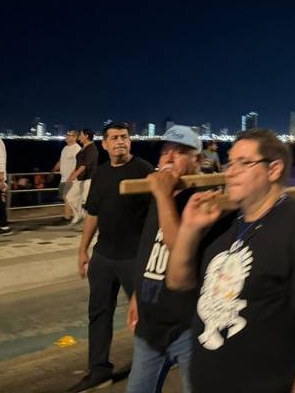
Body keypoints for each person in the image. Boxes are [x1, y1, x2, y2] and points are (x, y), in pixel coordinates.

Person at [166, 129, 295, 393]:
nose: (231, 171)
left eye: (244, 163)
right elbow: (178, 282)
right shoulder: (227, 224)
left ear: (274, 170)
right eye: (230, 161)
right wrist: (190, 230)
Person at [67, 123, 154, 393]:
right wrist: (84, 249)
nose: (120, 142)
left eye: (124, 137)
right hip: (103, 256)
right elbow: (93, 213)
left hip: (134, 258)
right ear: (104, 144)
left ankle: (154, 364)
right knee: (99, 314)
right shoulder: (102, 174)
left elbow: (158, 215)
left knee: (145, 317)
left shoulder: (144, 171)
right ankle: (99, 370)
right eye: (114, 138)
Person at [126, 125, 203, 393]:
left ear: (198, 161)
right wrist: (138, 294)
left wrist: (162, 196)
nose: (168, 158)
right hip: (149, 328)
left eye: (180, 152)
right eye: (165, 152)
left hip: (188, 328)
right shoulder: (158, 196)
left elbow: (178, 247)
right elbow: (149, 248)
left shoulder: (203, 200)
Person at [66, 128, 99, 224]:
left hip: (89, 179)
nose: (79, 137)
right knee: (70, 197)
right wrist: (72, 175)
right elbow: (78, 165)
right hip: (80, 179)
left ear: (86, 136)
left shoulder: (92, 149)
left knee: (89, 202)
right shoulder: (83, 148)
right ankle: (80, 214)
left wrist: (73, 177)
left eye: (81, 135)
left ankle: (96, 224)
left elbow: (83, 166)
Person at [52, 130, 81, 221]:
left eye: (69, 135)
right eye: (66, 135)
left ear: (75, 137)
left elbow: (78, 165)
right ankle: (79, 214)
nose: (67, 137)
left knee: (67, 197)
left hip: (72, 178)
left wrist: (72, 176)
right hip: (63, 178)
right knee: (66, 198)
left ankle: (67, 217)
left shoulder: (77, 149)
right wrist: (53, 170)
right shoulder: (65, 148)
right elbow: (61, 161)